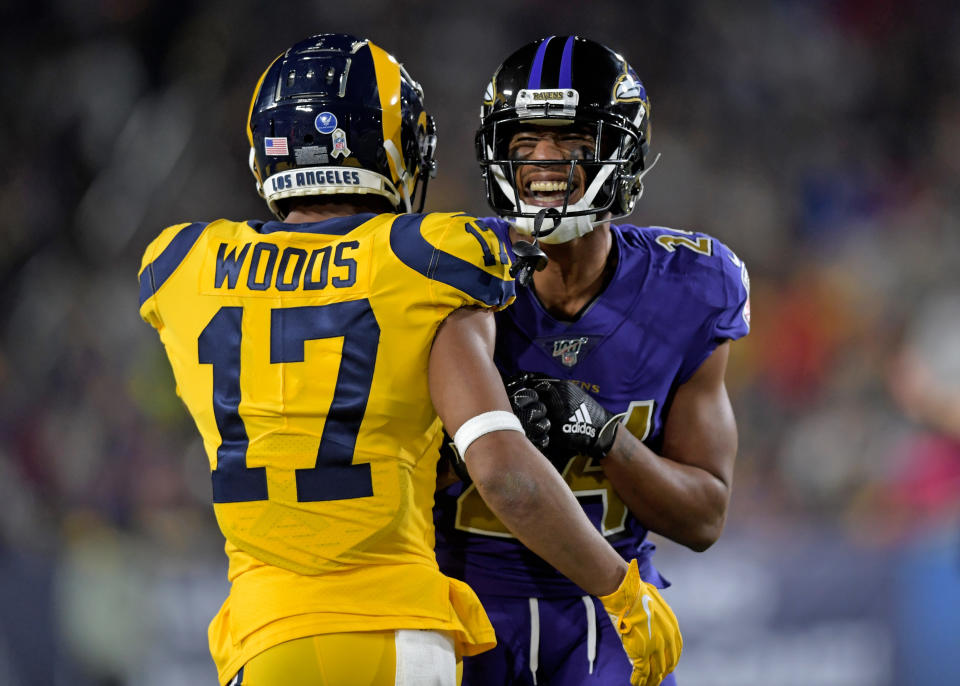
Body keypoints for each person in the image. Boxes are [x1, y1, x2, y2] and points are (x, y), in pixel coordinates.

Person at [137, 33, 681, 686]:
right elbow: (504, 475)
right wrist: (621, 591)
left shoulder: (182, 264)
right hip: (392, 632)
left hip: (264, 639)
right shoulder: (427, 261)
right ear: (396, 148)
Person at [434, 35, 750, 685]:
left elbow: (705, 517)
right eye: (525, 143)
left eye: (572, 141)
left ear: (622, 151)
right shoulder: (447, 277)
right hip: (456, 602)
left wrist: (605, 437)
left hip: (607, 614)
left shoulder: (691, 286)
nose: (545, 163)